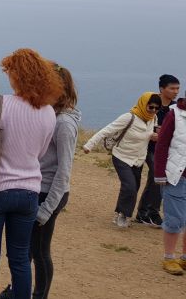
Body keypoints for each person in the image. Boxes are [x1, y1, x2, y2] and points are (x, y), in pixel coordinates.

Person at [0, 48, 62, 299]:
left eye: (9, 71)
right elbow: (39, 154)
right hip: (28, 192)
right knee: (20, 259)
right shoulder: (49, 112)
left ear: (17, 75)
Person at [30, 63, 81, 299]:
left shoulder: (64, 124)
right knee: (30, 250)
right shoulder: (52, 116)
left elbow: (64, 171)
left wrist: (46, 209)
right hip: (39, 189)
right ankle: (18, 290)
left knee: (40, 251)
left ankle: (40, 295)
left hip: (49, 193)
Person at [83, 92, 162, 228]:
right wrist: (89, 145)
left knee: (133, 187)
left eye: (157, 108)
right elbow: (106, 131)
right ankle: (124, 216)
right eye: (151, 107)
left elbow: (147, 135)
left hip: (138, 159)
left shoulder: (153, 119)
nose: (153, 110)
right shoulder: (128, 118)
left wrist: (153, 136)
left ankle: (119, 212)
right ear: (143, 104)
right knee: (130, 187)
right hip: (121, 156)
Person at [137, 75, 180, 227]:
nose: (176, 92)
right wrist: (152, 133)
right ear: (162, 89)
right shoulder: (152, 104)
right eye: (172, 88)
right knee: (156, 174)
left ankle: (147, 212)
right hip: (148, 148)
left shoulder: (176, 109)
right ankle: (148, 212)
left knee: (159, 179)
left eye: (177, 88)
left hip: (169, 151)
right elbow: (137, 122)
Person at [153, 94, 186, 275]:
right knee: (175, 219)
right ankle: (169, 257)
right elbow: (162, 145)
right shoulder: (174, 115)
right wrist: (159, 174)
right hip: (176, 176)